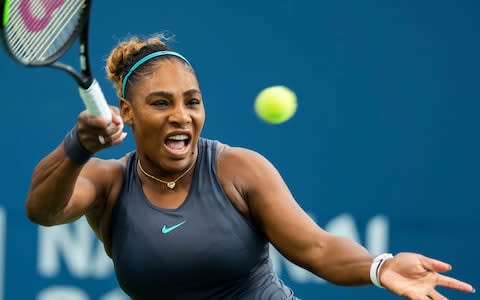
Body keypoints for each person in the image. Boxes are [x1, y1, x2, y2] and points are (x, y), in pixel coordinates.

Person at [25, 34, 475, 300]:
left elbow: (316, 248)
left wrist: (381, 266)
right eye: (161, 103)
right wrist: (77, 146)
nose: (182, 116)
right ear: (127, 112)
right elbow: (43, 210)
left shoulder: (238, 170)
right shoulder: (108, 183)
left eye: (193, 102)